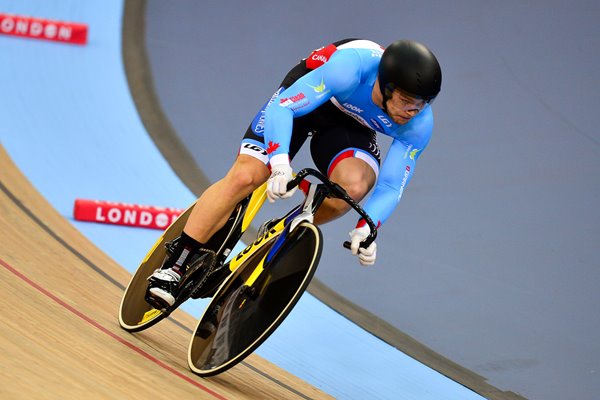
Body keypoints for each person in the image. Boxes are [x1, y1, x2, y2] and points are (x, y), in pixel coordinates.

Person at [147, 38, 442, 307]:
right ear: (386, 86)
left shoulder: (418, 124)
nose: (411, 112)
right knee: (247, 176)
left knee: (350, 190)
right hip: (305, 99)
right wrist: (278, 164)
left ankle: (280, 234)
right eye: (406, 101)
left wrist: (368, 228)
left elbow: (391, 186)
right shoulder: (349, 69)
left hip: (350, 125)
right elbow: (283, 109)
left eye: (421, 104)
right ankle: (175, 264)